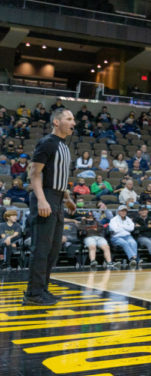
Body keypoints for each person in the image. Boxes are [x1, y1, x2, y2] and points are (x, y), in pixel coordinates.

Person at [23, 107, 76, 305]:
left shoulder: (64, 146)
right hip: (45, 197)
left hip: (58, 198)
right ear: (56, 122)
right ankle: (33, 294)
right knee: (41, 248)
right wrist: (42, 199)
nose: (73, 123)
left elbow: (58, 177)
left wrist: (67, 197)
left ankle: (42, 289)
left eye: (73, 119)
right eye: (69, 119)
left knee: (53, 249)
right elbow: (35, 173)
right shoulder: (47, 143)